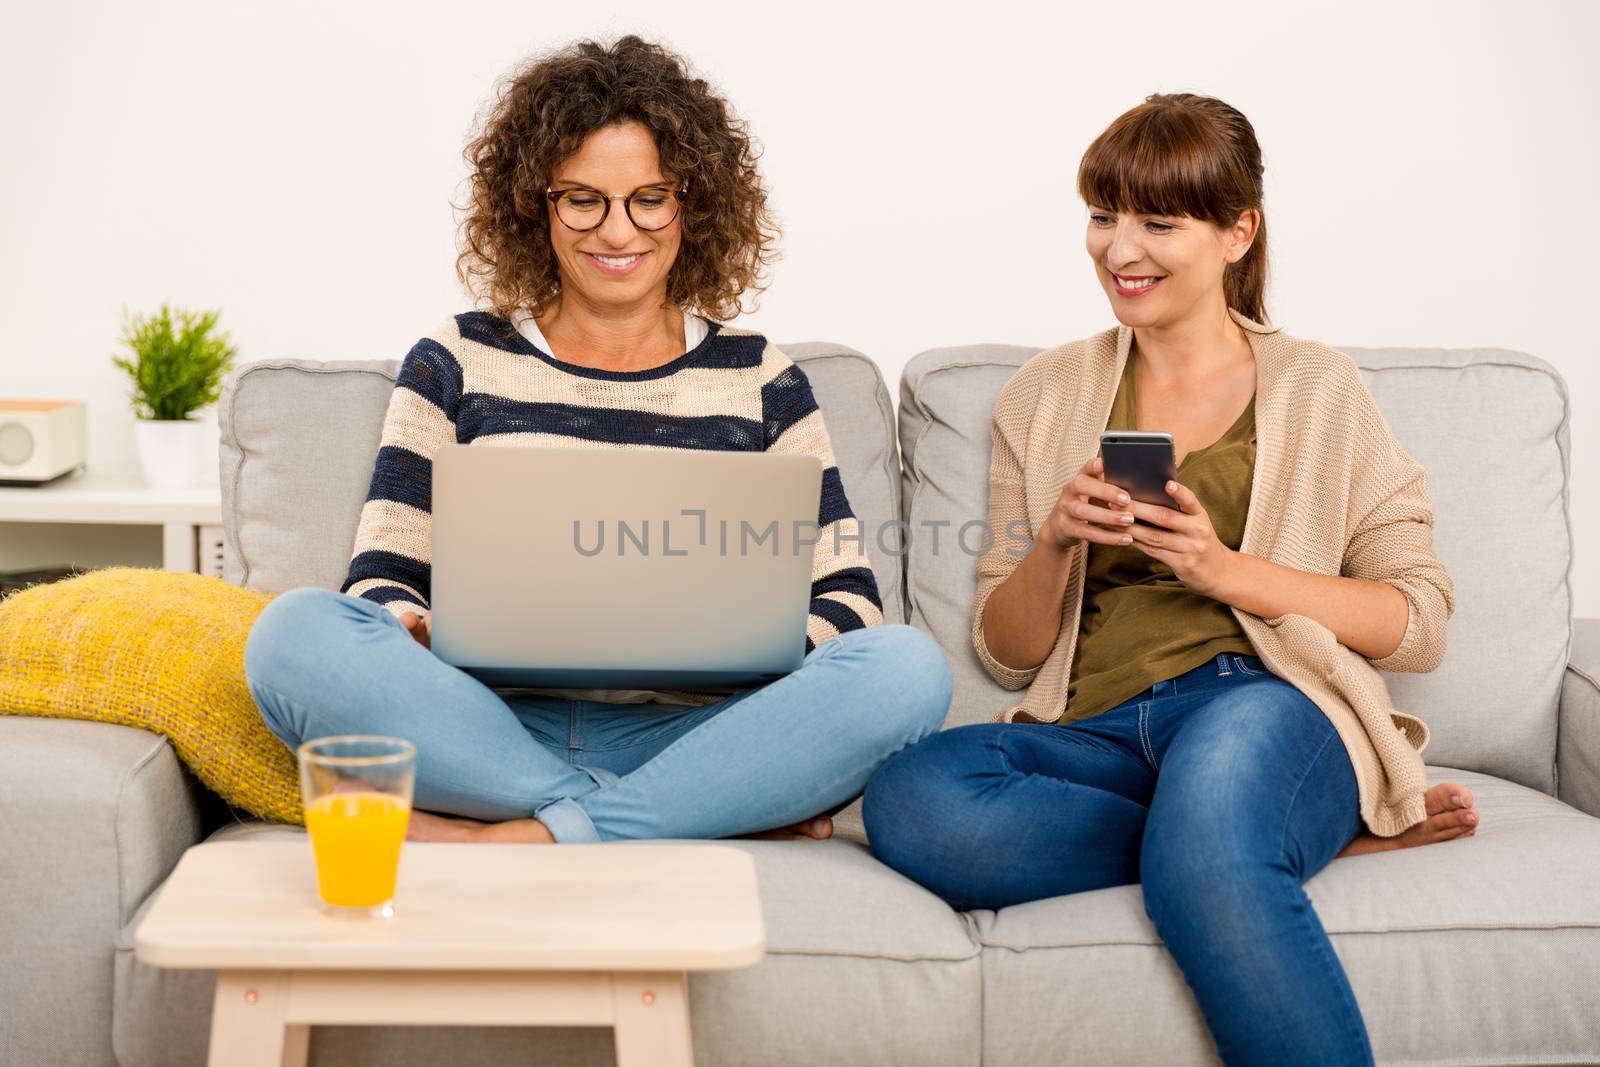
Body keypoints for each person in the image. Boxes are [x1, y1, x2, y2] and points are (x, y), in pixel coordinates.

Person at [861, 93, 1477, 1066]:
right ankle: (1275, 842)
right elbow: (1004, 645)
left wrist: (1224, 568)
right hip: (1100, 729)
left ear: (1237, 232)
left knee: (1212, 833)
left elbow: (1418, 620)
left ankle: (1239, 838)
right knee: (912, 796)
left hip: (1263, 706)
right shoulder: (1049, 391)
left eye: (1156, 219)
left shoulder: (1318, 386)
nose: (1118, 247)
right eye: (1103, 215)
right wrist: (1057, 540)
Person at [243, 36, 951, 846]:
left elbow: (851, 602)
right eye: (584, 199)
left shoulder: (761, 375)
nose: (618, 231)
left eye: (649, 197)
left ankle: (529, 830)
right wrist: (419, 628)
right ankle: (670, 812)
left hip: (695, 734)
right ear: (534, 205)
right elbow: (379, 579)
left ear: (694, 204)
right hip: (484, 725)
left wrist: (740, 646)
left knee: (907, 670)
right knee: (293, 634)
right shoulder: (457, 357)